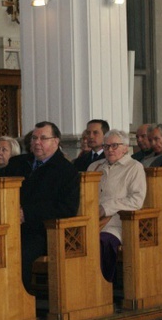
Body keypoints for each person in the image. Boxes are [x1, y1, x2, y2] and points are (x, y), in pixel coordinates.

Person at [19, 121, 80, 292]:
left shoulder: (66, 171)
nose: (37, 142)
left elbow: (66, 209)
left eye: (43, 138)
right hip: (16, 227)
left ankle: (21, 303)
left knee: (17, 253)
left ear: (56, 141)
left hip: (45, 231)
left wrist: (27, 214)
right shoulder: (21, 164)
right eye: (34, 138)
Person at [88, 130, 146, 282]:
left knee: (101, 241)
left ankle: (103, 285)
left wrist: (106, 208)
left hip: (119, 224)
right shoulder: (95, 166)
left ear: (125, 147)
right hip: (91, 221)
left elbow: (136, 200)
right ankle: (82, 288)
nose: (110, 150)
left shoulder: (134, 167)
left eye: (114, 145)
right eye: (106, 146)